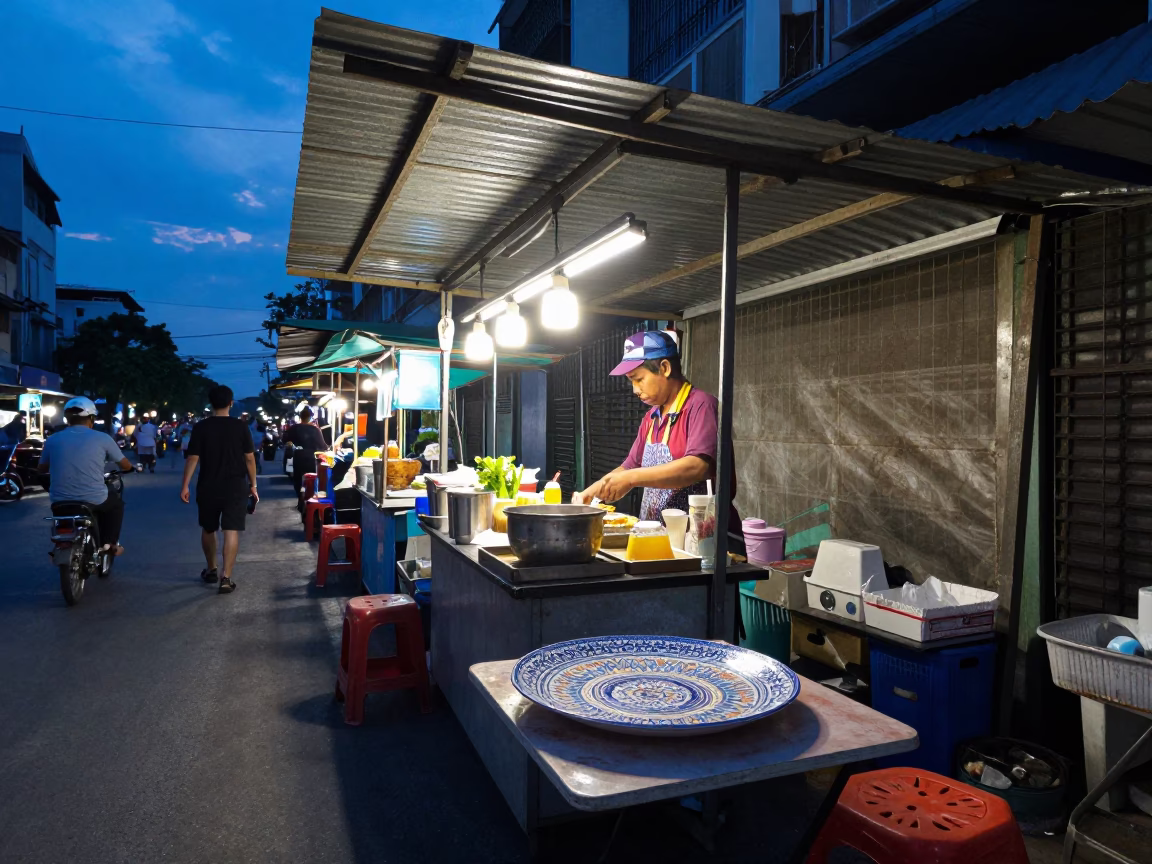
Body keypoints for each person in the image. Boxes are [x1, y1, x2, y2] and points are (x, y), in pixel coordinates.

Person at [575, 331, 740, 530]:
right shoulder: (651, 418)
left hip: (702, 538)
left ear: (665, 368)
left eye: (639, 379)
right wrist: (595, 490)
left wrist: (630, 480)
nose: (635, 390)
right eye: (631, 382)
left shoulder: (701, 406)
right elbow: (629, 465)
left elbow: (697, 467)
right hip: (658, 537)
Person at [180, 385, 258, 595]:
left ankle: (212, 568)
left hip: (208, 485)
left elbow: (192, 458)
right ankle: (226, 577)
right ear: (231, 403)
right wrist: (253, 485)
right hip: (235, 486)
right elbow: (249, 458)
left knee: (208, 528)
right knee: (231, 530)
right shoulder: (240, 427)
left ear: (211, 403)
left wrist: (185, 485)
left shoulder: (201, 427)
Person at [37, 397, 135, 556]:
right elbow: (125, 465)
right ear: (91, 419)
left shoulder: (52, 440)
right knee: (116, 505)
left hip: (59, 500)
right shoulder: (103, 438)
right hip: (94, 498)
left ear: (67, 418)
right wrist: (131, 468)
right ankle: (108, 544)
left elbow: (41, 468)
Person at [282, 406, 326, 508]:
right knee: (311, 479)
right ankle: (309, 499)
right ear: (310, 417)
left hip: (298, 457)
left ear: (300, 417)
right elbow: (322, 445)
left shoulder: (294, 428)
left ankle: (300, 498)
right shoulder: (315, 429)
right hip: (311, 458)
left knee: (297, 479)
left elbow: (285, 440)